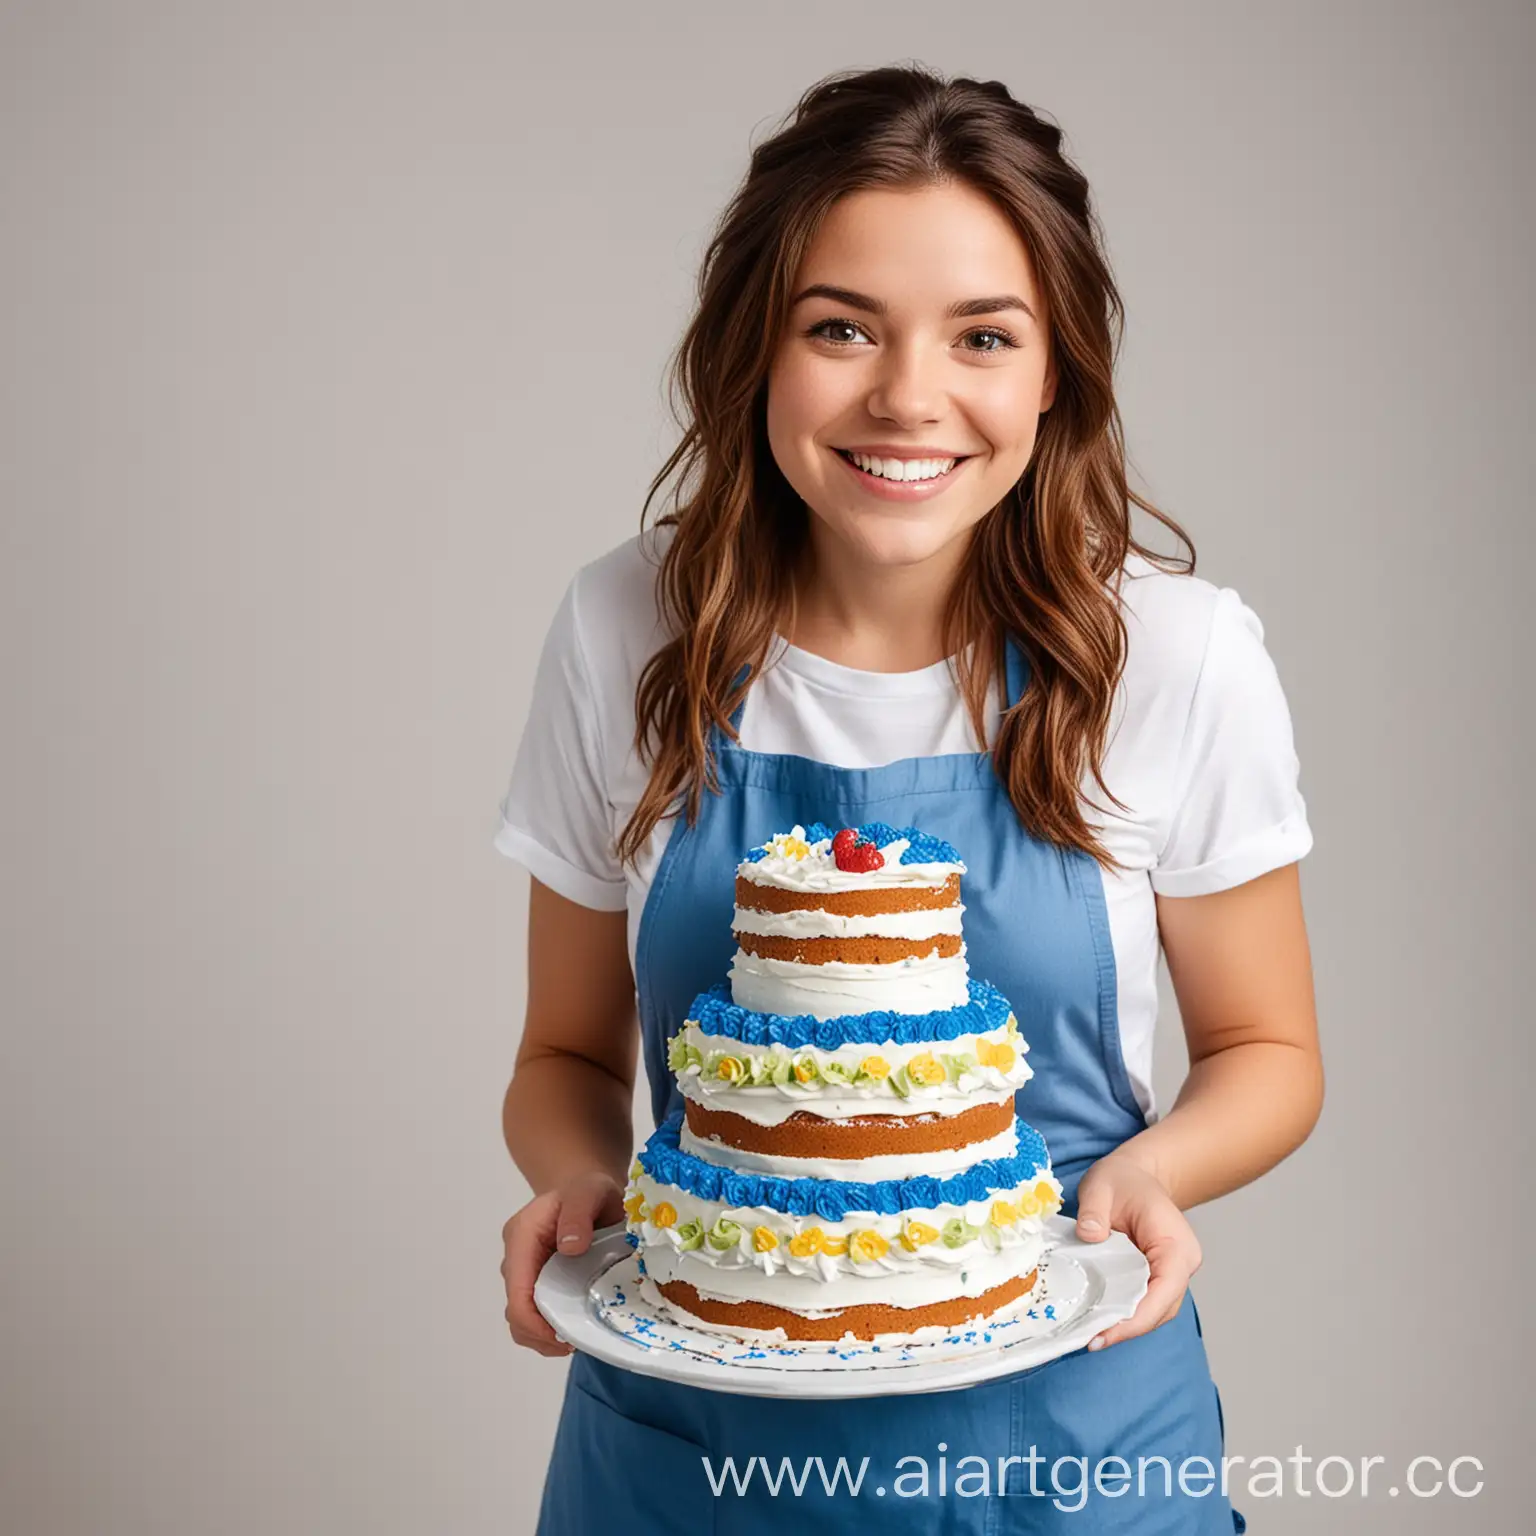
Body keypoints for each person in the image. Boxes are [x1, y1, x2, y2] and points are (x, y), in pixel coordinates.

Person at [494, 63, 1321, 1534]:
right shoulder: (629, 628)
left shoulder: (1176, 657)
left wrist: (1149, 1177)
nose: (908, 398)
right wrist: (580, 1184)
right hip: (695, 1454)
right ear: (756, 350)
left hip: (1069, 1449)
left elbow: (1269, 1049)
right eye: (841, 330)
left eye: (983, 336)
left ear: (1054, 368)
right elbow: (564, 1051)